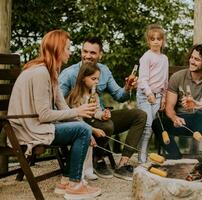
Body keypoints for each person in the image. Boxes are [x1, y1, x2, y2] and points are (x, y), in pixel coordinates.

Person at [7, 30, 101, 199]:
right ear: (57, 49)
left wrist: (88, 129)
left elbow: (62, 106)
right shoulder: (40, 72)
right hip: (28, 129)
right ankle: (74, 186)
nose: (70, 52)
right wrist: (79, 115)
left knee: (82, 129)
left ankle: (66, 181)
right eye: (67, 48)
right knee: (81, 130)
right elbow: (43, 115)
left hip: (35, 124)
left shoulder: (51, 73)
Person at [59, 37, 147, 181]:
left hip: (98, 114)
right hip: (78, 119)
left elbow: (119, 96)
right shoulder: (69, 73)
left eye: (93, 53)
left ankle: (123, 164)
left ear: (100, 55)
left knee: (140, 115)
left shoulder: (104, 70)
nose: (88, 56)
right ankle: (98, 159)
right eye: (85, 51)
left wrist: (127, 87)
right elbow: (57, 104)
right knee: (108, 125)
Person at [152, 44, 202, 159]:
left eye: (197, 59)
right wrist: (174, 118)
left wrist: (196, 105)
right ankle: (175, 155)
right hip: (182, 120)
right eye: (192, 57)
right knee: (157, 123)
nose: (192, 61)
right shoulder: (177, 77)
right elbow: (169, 107)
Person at [67, 62, 114, 180]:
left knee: (89, 146)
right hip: (77, 124)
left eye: (98, 79)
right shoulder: (76, 96)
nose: (96, 82)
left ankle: (88, 169)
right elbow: (75, 118)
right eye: (93, 79)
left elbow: (96, 112)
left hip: (88, 123)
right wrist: (92, 130)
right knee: (85, 142)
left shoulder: (95, 95)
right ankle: (80, 170)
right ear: (83, 78)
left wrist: (103, 115)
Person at [136, 24, 169, 163]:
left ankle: (144, 154)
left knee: (151, 126)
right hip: (145, 95)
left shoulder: (164, 58)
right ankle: (141, 157)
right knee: (147, 125)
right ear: (148, 41)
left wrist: (164, 97)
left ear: (163, 41)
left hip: (158, 96)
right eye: (152, 39)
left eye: (159, 39)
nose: (156, 41)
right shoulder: (146, 57)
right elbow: (143, 79)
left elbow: (165, 80)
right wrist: (149, 93)